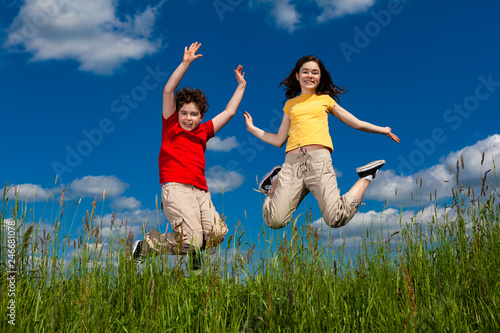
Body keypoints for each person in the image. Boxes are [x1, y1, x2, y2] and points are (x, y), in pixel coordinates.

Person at [244, 55, 399, 230]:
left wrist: (384, 130)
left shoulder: (325, 100)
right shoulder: (290, 105)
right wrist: (252, 129)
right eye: (305, 71)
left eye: (315, 72)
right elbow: (279, 139)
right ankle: (274, 184)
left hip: (319, 162)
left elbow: (356, 123)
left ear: (320, 77)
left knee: (335, 218)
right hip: (292, 165)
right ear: (297, 75)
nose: (310, 75)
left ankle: (367, 176)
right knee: (274, 221)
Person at [132, 42, 246, 271]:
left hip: (201, 192)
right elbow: (167, 91)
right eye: (184, 113)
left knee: (216, 234)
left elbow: (230, 112)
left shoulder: (204, 132)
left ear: (201, 115)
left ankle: (154, 248)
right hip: (176, 188)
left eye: (194, 114)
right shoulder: (171, 125)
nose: (188, 118)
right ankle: (154, 247)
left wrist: (241, 86)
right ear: (177, 112)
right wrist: (185, 63)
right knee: (193, 239)